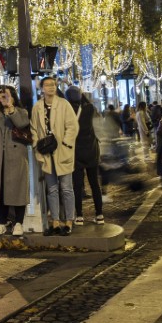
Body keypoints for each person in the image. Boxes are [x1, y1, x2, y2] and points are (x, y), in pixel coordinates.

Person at [31, 77, 78, 236]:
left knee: (66, 188)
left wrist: (65, 144)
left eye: (53, 84)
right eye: (47, 85)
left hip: (62, 152)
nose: (51, 87)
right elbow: (33, 130)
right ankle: (56, 221)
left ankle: (69, 221)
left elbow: (72, 126)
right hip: (46, 153)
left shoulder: (64, 104)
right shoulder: (37, 107)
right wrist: (37, 145)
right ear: (42, 88)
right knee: (51, 189)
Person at [0, 85, 30, 236]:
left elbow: (22, 123)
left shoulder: (20, 111)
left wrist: (11, 107)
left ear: (13, 96)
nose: (3, 98)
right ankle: (1, 222)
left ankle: (19, 223)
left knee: (17, 191)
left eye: (6, 95)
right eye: (1, 96)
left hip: (15, 157)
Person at [67, 86, 105, 226]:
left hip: (76, 151)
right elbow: (99, 127)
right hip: (91, 150)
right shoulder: (90, 108)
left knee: (77, 185)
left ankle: (79, 216)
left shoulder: (68, 110)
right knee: (95, 184)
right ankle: (99, 214)